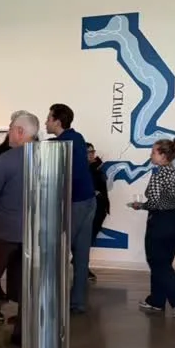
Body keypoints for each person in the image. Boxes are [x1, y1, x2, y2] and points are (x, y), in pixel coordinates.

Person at [0, 112, 39, 348]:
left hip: (3, 233)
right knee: (28, 286)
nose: (8, 133)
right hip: (34, 235)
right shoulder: (45, 158)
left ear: (19, 131)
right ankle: (23, 333)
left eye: (10, 128)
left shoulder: (6, 160)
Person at [130, 137, 175, 318]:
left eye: (153, 152)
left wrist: (141, 206)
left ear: (163, 155)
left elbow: (156, 203)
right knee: (164, 262)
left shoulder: (158, 174)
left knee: (157, 262)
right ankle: (156, 300)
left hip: (161, 222)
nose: (151, 155)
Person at [45, 104, 96, 314]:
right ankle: (78, 302)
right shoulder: (78, 138)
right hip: (88, 201)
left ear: (57, 121)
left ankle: (53, 302)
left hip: (75, 203)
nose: (46, 122)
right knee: (82, 256)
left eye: (49, 118)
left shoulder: (60, 144)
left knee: (58, 252)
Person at [87, 143, 110, 282]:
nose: (92, 154)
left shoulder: (97, 167)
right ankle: (82, 265)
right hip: (90, 208)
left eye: (92, 151)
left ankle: (80, 262)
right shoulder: (83, 169)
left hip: (100, 208)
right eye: (88, 152)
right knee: (85, 239)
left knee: (90, 238)